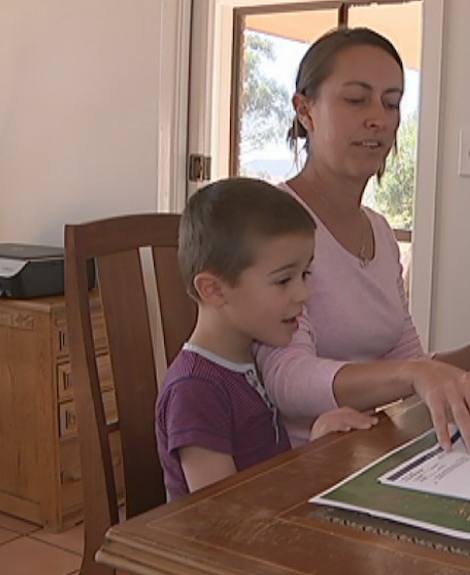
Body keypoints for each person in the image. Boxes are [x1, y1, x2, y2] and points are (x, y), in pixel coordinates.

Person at [256, 27, 470, 458]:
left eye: (392, 102)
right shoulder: (272, 224)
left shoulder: (378, 231)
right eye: (356, 99)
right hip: (302, 464)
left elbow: (410, 361)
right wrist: (413, 374)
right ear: (305, 110)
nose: (378, 118)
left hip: (368, 448)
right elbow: (288, 381)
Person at [156, 178, 377, 500]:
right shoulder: (195, 389)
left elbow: (267, 474)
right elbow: (222, 514)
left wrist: (318, 441)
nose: (304, 293)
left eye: (305, 275)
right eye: (284, 280)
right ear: (214, 290)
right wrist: (313, 466)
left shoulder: (251, 356)